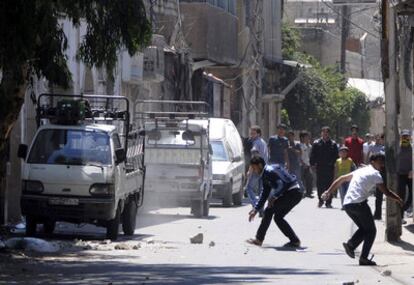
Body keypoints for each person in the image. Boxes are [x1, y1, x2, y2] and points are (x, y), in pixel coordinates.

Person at [322, 153, 403, 266]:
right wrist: (398, 198)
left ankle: (351, 245)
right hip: (359, 203)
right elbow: (386, 192)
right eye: (380, 161)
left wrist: (328, 191)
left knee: (365, 228)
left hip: (348, 204)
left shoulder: (360, 171)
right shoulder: (376, 174)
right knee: (371, 231)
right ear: (372, 162)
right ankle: (362, 256)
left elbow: (341, 179)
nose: (381, 164)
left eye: (383, 162)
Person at [246, 157, 303, 247]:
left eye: (254, 168)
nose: (254, 171)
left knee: (269, 211)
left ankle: (259, 239)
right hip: (295, 193)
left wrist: (274, 197)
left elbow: (281, 184)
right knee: (278, 217)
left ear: (260, 165)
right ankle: (295, 241)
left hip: (292, 192)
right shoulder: (266, 173)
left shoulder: (268, 171)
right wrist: (255, 209)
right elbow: (264, 194)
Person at [310, 126, 338, 208]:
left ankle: (328, 202)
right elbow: (312, 155)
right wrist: (312, 164)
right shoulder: (316, 143)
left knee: (329, 185)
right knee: (320, 184)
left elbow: (336, 156)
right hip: (320, 167)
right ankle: (321, 200)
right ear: (321, 133)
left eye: (327, 132)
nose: (325, 134)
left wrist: (335, 165)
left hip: (330, 168)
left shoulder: (333, 144)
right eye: (323, 132)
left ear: (329, 134)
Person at [245, 126, 268, 212]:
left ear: (258, 134)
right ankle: (261, 209)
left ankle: (256, 206)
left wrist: (250, 170)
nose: (251, 135)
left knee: (249, 188)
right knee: (261, 190)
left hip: (257, 169)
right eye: (251, 133)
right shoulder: (263, 142)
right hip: (264, 169)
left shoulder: (256, 143)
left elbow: (255, 157)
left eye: (253, 133)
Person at [367, 134, 385, 219]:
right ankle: (378, 214)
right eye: (382, 139)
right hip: (381, 173)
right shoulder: (381, 151)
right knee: (379, 196)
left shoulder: (394, 148)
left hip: (392, 175)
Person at [397, 129, 412, 224]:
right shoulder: (397, 148)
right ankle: (401, 216)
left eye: (407, 136)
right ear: (401, 137)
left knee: (412, 195)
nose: (405, 138)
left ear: (410, 137)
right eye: (404, 136)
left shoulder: (412, 147)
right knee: (401, 196)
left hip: (411, 174)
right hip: (400, 174)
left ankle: (406, 208)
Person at [300, 131, 314, 198]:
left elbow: (309, 156)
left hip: (307, 164)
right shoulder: (299, 145)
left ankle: (308, 193)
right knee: (301, 179)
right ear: (302, 137)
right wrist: (303, 163)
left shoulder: (308, 146)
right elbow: (299, 156)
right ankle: (302, 192)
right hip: (301, 165)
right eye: (306, 137)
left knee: (310, 178)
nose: (307, 138)